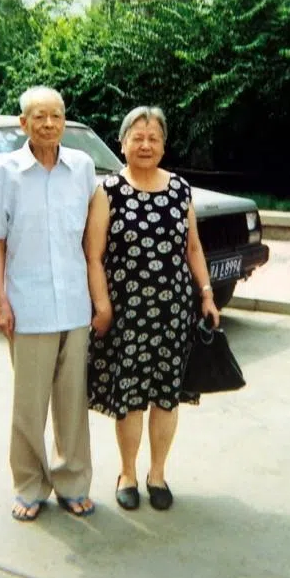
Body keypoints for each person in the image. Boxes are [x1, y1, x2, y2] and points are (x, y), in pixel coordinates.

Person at [85, 106, 220, 511]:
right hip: (127, 313)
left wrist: (207, 294)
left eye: (153, 138)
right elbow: (94, 256)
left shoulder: (179, 188)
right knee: (129, 397)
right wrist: (103, 307)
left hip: (173, 311)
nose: (145, 145)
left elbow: (193, 247)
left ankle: (157, 473)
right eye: (137, 138)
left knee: (166, 395)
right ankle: (127, 472)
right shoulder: (108, 191)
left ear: (163, 145)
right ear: (123, 143)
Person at [0, 86, 96, 521]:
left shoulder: (81, 169)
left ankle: (73, 481)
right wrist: (0, 300)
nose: (49, 124)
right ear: (22, 123)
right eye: (39, 117)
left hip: (75, 305)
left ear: (65, 121)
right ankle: (29, 485)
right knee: (29, 403)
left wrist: (98, 299)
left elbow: (90, 239)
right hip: (28, 306)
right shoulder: (7, 171)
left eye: (56, 116)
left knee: (72, 402)